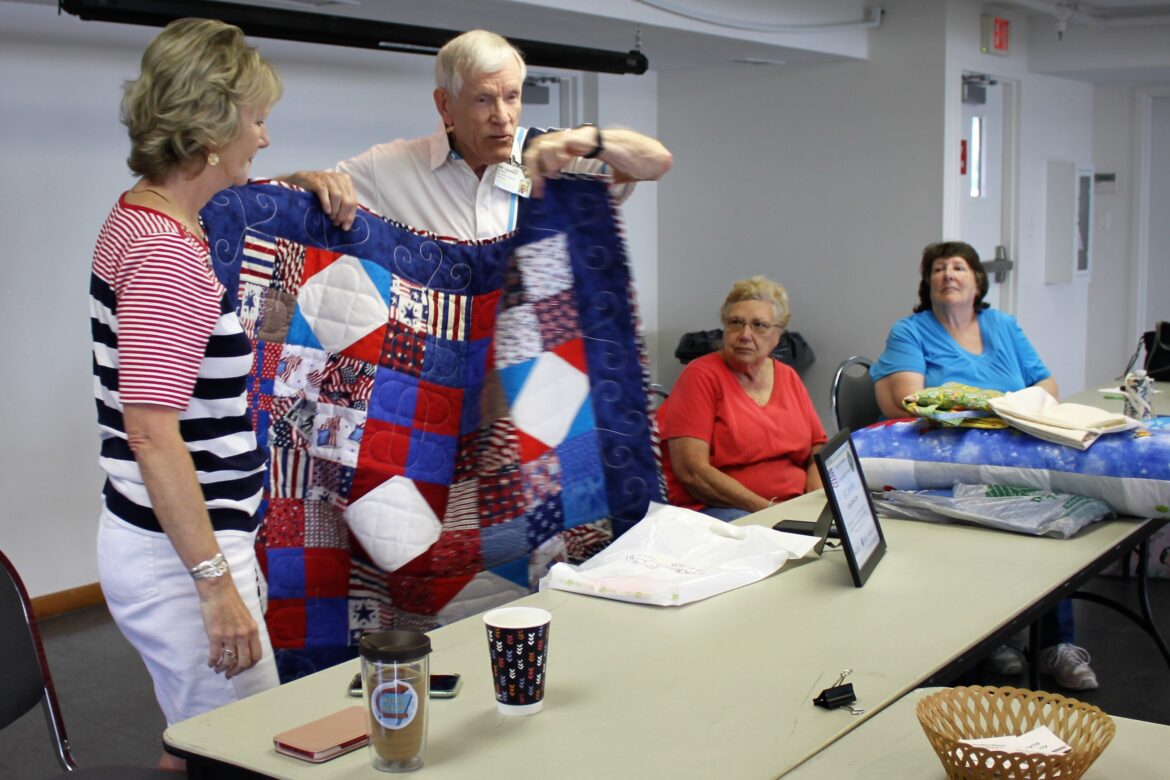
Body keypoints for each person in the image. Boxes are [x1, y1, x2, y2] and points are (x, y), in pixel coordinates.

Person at [90, 18, 283, 768]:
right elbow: (151, 433)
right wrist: (214, 586)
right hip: (180, 558)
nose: (264, 139)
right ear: (209, 130)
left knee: (197, 743)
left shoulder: (144, 214)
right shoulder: (169, 258)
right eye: (258, 120)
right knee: (244, 751)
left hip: (174, 542)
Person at [870, 241, 1096, 691]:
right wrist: (995, 411)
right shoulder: (910, 330)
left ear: (977, 281)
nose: (947, 275)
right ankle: (997, 635)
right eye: (938, 269)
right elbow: (905, 400)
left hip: (1011, 446)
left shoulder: (1002, 325)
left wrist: (1016, 411)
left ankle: (1054, 644)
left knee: (1054, 513)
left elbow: (1047, 382)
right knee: (1005, 517)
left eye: (958, 267)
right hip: (945, 455)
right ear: (927, 282)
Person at [284, 28, 672, 238]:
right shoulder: (391, 166)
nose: (502, 117)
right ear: (445, 105)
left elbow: (656, 162)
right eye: (483, 100)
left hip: (531, 371)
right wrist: (305, 179)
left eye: (512, 96)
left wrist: (588, 140)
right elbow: (278, 201)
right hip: (437, 368)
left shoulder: (553, 156)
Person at [657, 276, 827, 521]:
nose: (745, 334)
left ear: (777, 335)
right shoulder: (700, 376)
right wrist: (772, 512)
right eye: (735, 323)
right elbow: (692, 472)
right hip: (722, 508)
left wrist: (816, 493)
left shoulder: (787, 376)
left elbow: (818, 445)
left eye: (759, 325)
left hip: (792, 506)